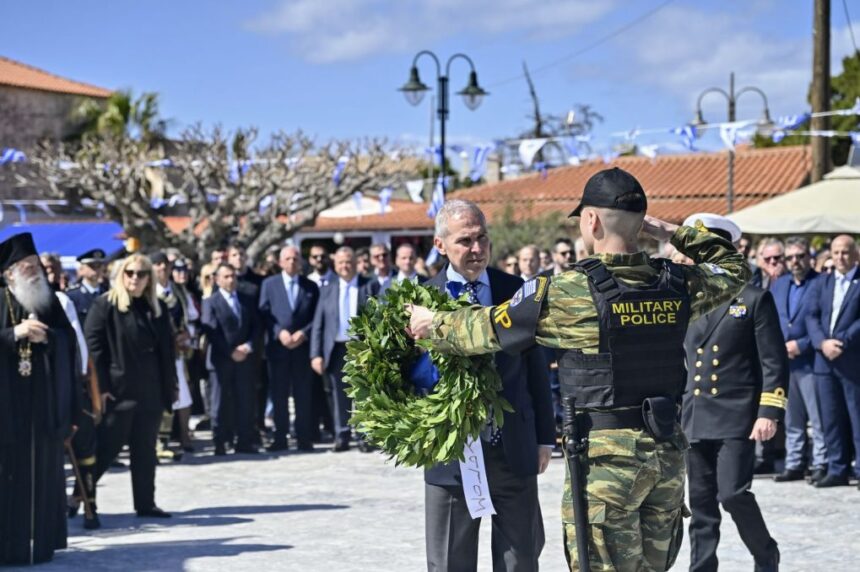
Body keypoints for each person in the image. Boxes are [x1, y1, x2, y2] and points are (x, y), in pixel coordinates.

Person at [407, 167, 750, 571]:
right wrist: (664, 230)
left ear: (591, 220)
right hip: (666, 458)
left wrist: (434, 323)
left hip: (607, 465)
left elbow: (487, 329)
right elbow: (734, 268)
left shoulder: (573, 291)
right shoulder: (676, 283)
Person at [421, 200, 555, 572]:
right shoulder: (418, 300)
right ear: (440, 245)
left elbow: (535, 370)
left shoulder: (516, 291)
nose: (477, 249)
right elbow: (405, 381)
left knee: (521, 559)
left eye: (482, 238)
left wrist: (545, 437)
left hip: (512, 450)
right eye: (465, 240)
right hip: (451, 458)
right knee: (450, 562)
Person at [680, 214, 786, 572]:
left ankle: (765, 552)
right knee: (701, 505)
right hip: (695, 415)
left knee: (733, 494)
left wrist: (769, 412)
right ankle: (702, 567)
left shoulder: (753, 299)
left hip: (736, 415)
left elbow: (773, 362)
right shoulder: (688, 299)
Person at [0, 233, 78, 564]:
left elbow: (69, 340)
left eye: (35, 265)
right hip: (6, 405)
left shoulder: (46, 300)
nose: (33, 271)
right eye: (25, 265)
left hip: (41, 403)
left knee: (42, 472)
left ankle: (40, 542)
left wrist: (51, 337)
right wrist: (12, 334)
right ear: (8, 273)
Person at [85, 254, 176, 518]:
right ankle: (82, 497)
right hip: (117, 392)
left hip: (151, 392)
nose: (135, 278)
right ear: (121, 275)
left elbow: (166, 352)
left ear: (150, 278)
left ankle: (145, 503)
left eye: (141, 273)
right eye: (130, 273)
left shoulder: (156, 308)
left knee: (145, 451)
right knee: (106, 450)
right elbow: (95, 351)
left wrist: (170, 386)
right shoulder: (105, 305)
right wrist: (99, 388)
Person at [310, 246, 379, 452]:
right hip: (336, 349)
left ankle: (364, 436)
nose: (345, 266)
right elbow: (318, 324)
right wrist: (316, 354)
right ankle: (342, 434)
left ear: (356, 263)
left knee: (363, 393)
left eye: (348, 261)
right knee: (339, 395)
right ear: (335, 265)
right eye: (340, 262)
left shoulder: (369, 286)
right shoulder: (327, 289)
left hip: (361, 349)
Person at [771, 237, 827, 483]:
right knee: (792, 417)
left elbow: (824, 323)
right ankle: (794, 463)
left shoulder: (822, 282)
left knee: (817, 418)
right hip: (784, 360)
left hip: (811, 359)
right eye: (791, 257)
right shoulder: (779, 284)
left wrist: (801, 344)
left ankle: (820, 463)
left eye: (800, 256)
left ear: (809, 257)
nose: (795, 261)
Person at [806, 234, 860, 489]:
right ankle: (837, 468)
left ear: (855, 254)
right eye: (836, 252)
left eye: (846, 252)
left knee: (856, 417)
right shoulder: (822, 282)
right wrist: (822, 343)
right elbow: (811, 316)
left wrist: (842, 341)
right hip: (824, 362)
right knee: (830, 418)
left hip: (851, 360)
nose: (840, 257)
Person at [259, 246, 320, 452]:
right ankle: (280, 437)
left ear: (301, 262)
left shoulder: (310, 287)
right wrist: (278, 332)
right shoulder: (269, 284)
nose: (292, 262)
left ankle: (304, 437)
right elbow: (264, 313)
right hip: (278, 349)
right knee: (279, 395)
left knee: (303, 394)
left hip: (302, 349)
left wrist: (304, 333)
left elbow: (317, 316)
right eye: (288, 259)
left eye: (295, 259)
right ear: (280, 262)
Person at [201, 263, 259, 455]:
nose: (230, 280)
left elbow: (256, 327)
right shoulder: (211, 302)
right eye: (226, 277)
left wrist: (248, 346)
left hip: (244, 359)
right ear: (217, 279)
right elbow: (211, 331)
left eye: (233, 276)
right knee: (220, 403)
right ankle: (220, 441)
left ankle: (244, 440)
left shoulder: (246, 300)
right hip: (221, 360)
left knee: (245, 400)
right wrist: (230, 351)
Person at [66, 248, 108, 326]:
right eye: (92, 266)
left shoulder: (107, 293)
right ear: (81, 269)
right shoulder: (72, 296)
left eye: (99, 266)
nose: (95, 270)